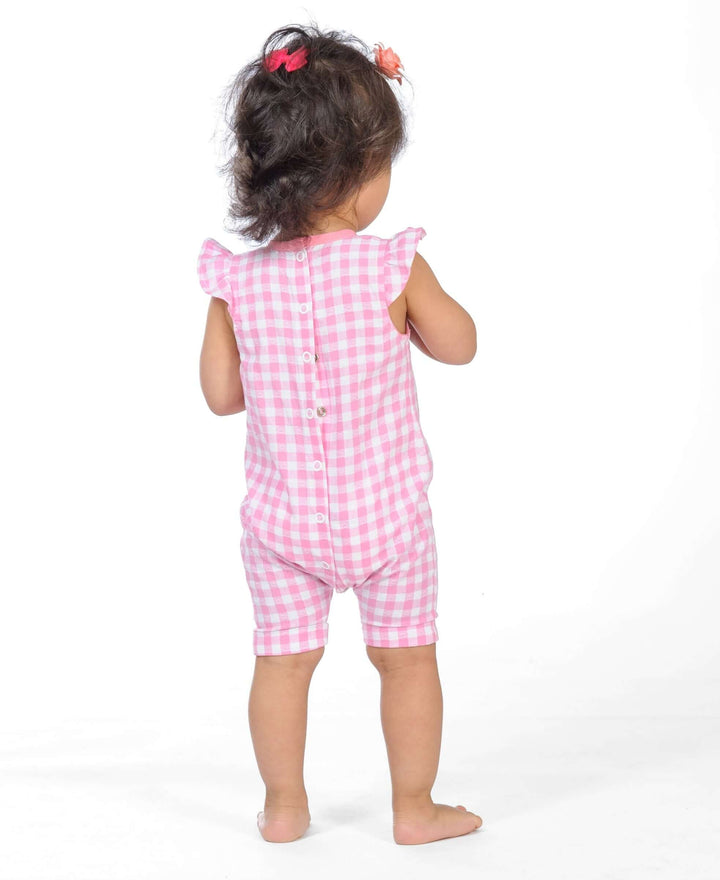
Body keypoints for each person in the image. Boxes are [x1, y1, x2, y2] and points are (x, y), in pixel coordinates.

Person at [197, 23, 480, 846]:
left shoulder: (235, 284)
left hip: (282, 526)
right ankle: (414, 809)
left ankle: (284, 808)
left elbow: (221, 396)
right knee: (407, 659)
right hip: (388, 518)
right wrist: (418, 315)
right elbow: (460, 345)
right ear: (359, 175)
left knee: (283, 663)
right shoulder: (392, 266)